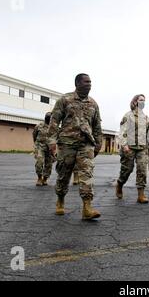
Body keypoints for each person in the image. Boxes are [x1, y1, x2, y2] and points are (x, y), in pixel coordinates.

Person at [48, 73, 103, 220]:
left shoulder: (93, 103)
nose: (89, 84)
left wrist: (98, 143)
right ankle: (60, 200)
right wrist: (52, 142)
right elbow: (54, 122)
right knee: (63, 175)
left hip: (86, 145)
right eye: (86, 82)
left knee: (87, 175)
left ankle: (87, 208)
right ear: (77, 83)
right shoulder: (64, 100)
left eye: (90, 82)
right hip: (67, 144)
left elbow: (97, 126)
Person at [115, 94, 149, 204]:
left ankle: (141, 195)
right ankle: (120, 184)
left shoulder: (146, 118)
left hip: (142, 148)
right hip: (129, 147)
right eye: (141, 100)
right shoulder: (128, 116)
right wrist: (124, 145)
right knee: (127, 169)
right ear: (135, 102)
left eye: (144, 100)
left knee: (142, 170)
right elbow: (122, 132)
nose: (143, 102)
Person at [32, 112, 55, 186]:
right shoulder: (39, 126)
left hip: (49, 148)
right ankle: (39, 178)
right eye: (48, 118)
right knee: (39, 161)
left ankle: (45, 179)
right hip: (40, 146)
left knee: (49, 164)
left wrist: (54, 149)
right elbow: (34, 135)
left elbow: (56, 138)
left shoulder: (54, 128)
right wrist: (36, 145)